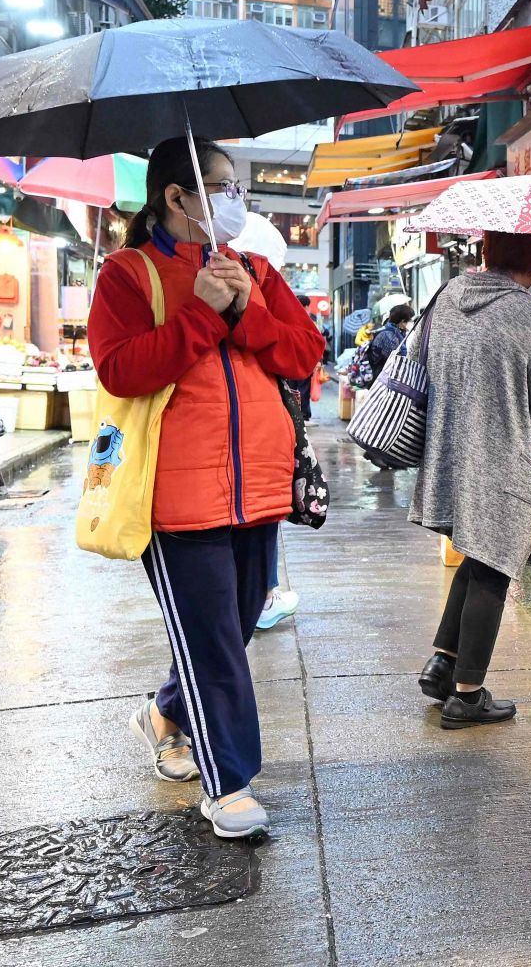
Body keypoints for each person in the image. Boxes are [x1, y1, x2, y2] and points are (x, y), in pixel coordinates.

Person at [89, 137, 326, 839]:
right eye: (223, 186)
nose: (235, 200)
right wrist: (199, 313)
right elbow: (121, 370)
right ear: (177, 196)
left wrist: (247, 308)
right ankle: (229, 784)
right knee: (214, 642)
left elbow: (304, 353)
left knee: (235, 625)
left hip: (258, 485)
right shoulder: (127, 275)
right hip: (173, 494)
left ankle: (165, 712)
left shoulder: (252, 269)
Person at [410, 233, 531, 729]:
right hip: (500, 461)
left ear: (488, 252)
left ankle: (443, 664)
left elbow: (420, 353)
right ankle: (468, 696)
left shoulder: (450, 294)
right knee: (494, 569)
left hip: (450, 452)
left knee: (478, 557)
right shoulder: (530, 314)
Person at [364, 303, 413, 380]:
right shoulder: (388, 335)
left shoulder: (396, 332)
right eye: (410, 319)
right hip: (384, 379)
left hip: (386, 376)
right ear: (403, 321)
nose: (412, 321)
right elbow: (395, 359)